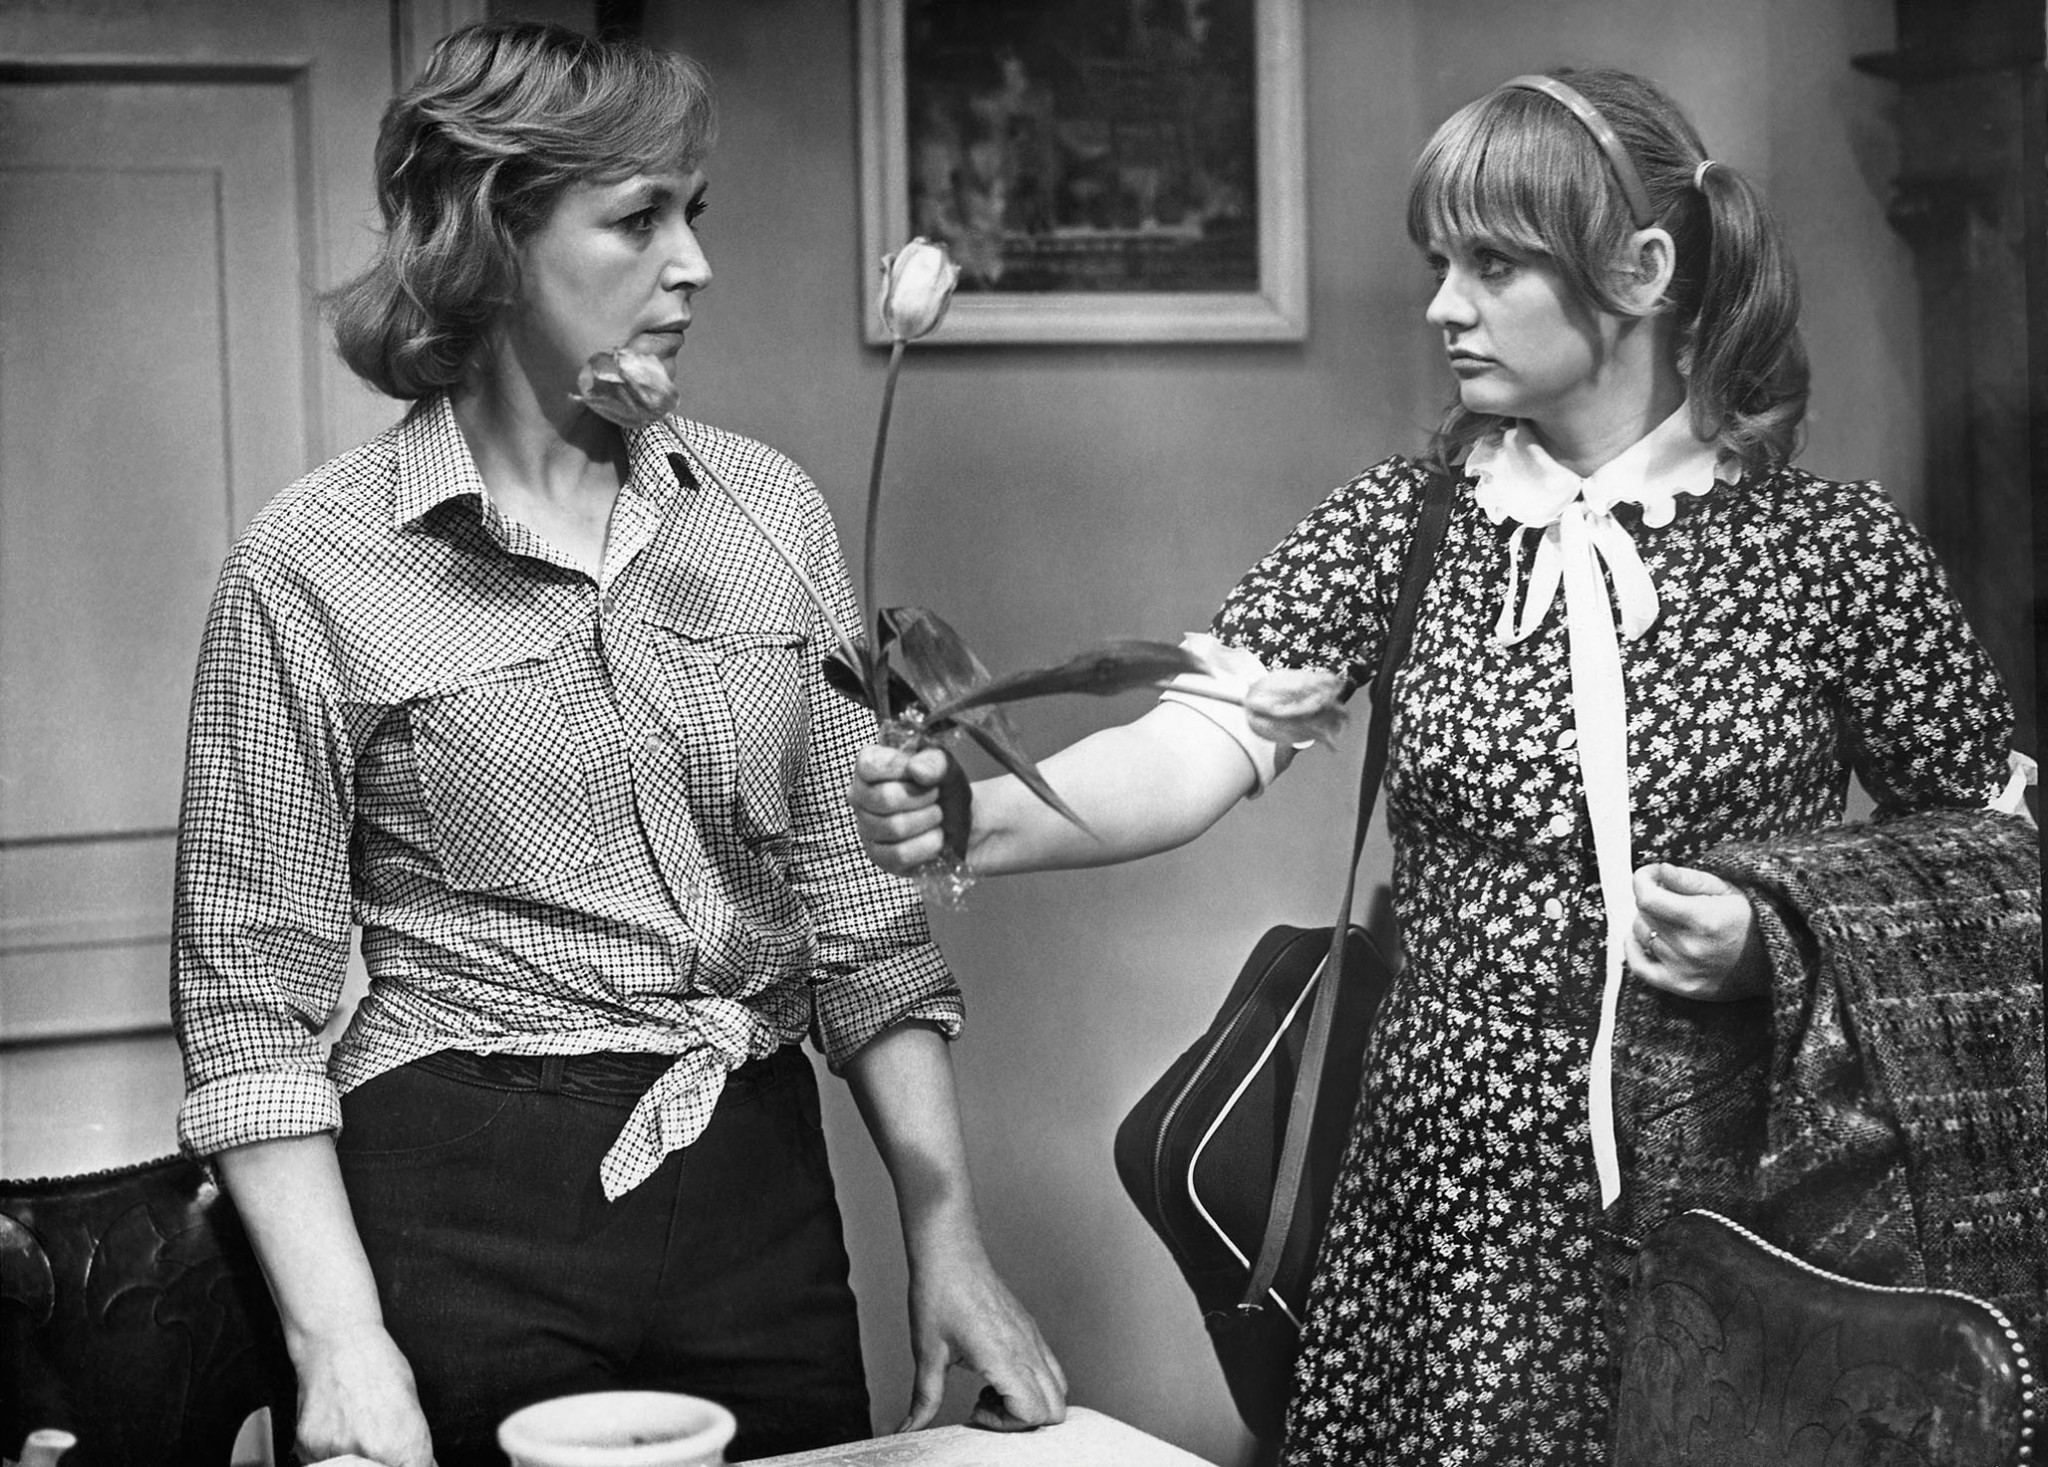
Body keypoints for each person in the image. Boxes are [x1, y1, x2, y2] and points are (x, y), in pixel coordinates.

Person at [849, 67, 2014, 1464]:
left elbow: (1992, 872)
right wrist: (975, 815)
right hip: (1452, 1221)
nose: (1443, 306)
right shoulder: (1408, 525)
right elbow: (1193, 742)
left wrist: (1781, 933)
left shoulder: (1837, 552)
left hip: (1742, 1216)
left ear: (1643, 273)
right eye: (1438, 263)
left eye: (1494, 265)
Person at [171, 22, 1064, 1467]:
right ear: (490, 237)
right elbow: (248, 1009)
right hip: (457, 1201)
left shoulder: (768, 514)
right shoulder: (311, 562)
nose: (693, 263)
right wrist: (341, 1343)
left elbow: (862, 925)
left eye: (693, 212)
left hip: (756, 1188)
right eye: (639, 218)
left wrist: (948, 1239)